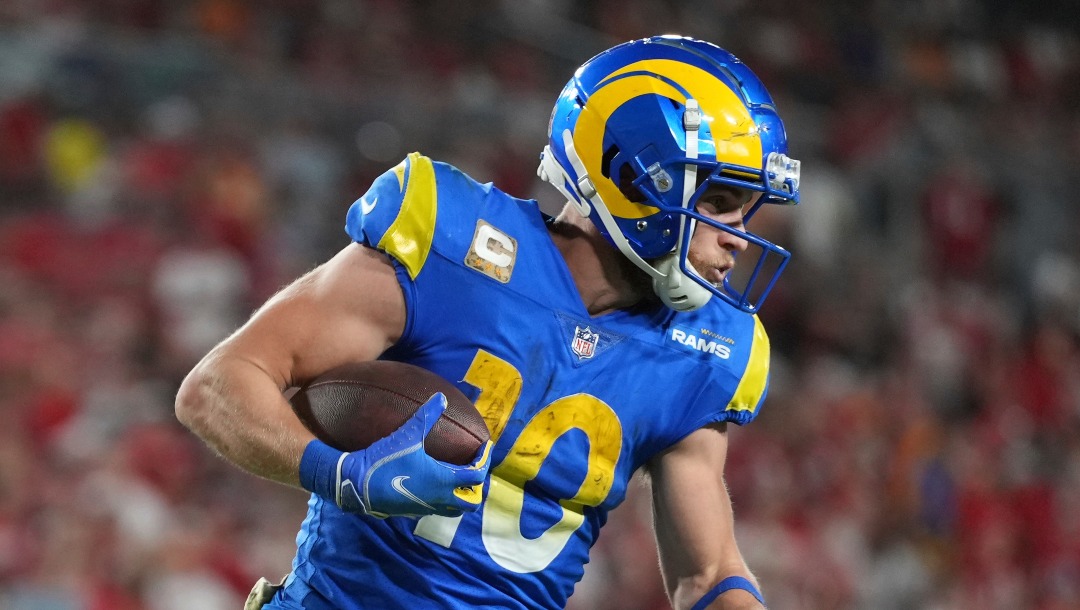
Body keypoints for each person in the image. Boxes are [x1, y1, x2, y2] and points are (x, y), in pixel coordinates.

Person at [176, 34, 801, 610]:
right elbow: (218, 385)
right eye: (719, 203)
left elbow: (710, 573)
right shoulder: (453, 246)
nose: (739, 239)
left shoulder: (707, 349)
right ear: (631, 175)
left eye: (745, 211)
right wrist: (339, 475)